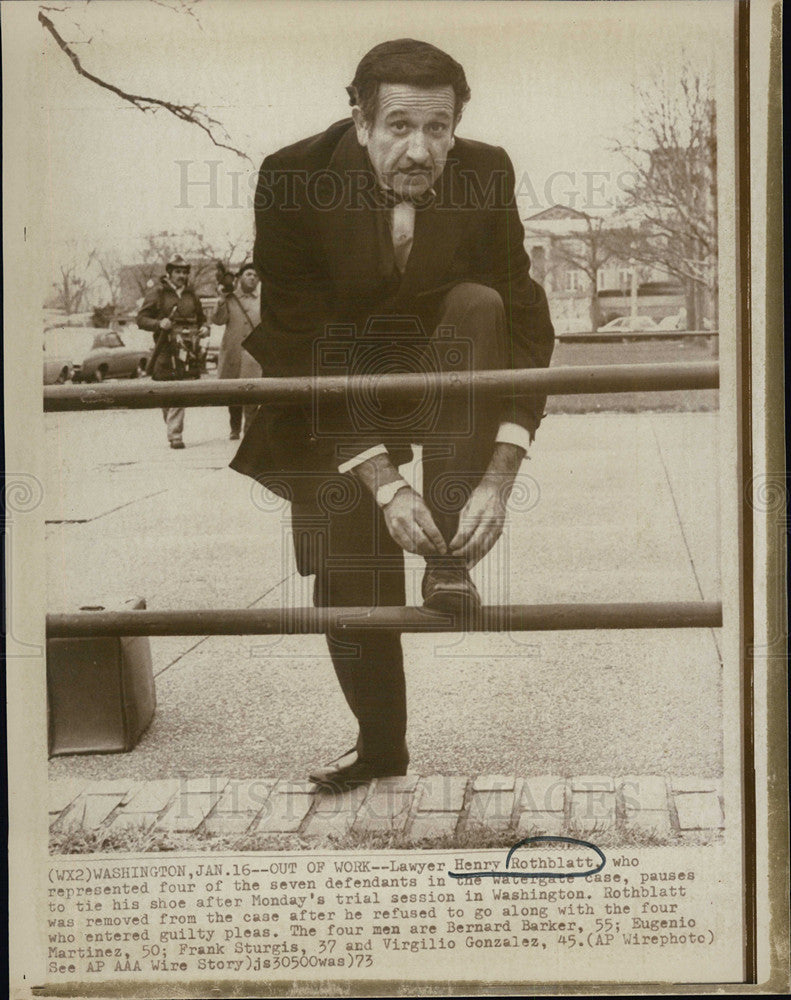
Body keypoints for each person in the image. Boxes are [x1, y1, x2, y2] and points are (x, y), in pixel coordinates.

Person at [231, 39, 554, 789]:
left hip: (437, 365)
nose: (420, 149)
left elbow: (526, 322)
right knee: (348, 574)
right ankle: (380, 747)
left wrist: (498, 474)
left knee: (481, 303)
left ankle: (446, 557)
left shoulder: (485, 170)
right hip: (326, 379)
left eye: (437, 129)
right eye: (399, 126)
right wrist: (381, 480)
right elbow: (295, 341)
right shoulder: (291, 178)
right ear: (359, 119)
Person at [137, 255, 208, 449]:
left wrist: (204, 329)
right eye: (178, 271)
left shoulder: (191, 295)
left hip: (187, 349)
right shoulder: (158, 293)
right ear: (169, 273)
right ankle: (171, 425)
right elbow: (141, 319)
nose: (182, 275)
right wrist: (159, 323)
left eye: (185, 272)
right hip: (164, 350)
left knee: (180, 391)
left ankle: (175, 435)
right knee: (164, 394)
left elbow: (202, 319)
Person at [213, 262, 262, 440]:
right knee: (232, 393)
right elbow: (218, 321)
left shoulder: (262, 300)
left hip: (254, 355)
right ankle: (234, 427)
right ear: (240, 277)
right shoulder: (229, 298)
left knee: (253, 392)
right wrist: (220, 300)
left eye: (256, 276)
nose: (252, 278)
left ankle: (249, 430)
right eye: (249, 274)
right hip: (232, 352)